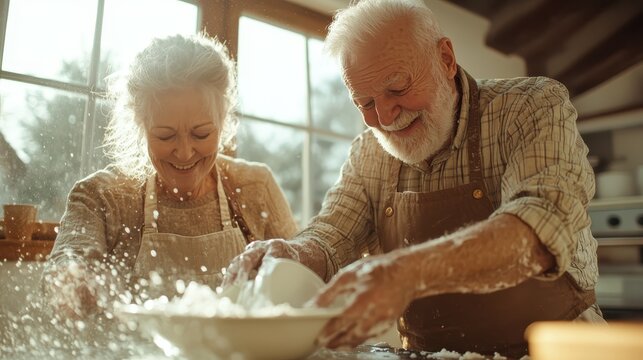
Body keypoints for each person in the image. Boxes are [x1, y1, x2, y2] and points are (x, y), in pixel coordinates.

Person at [223, 0, 604, 357]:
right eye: (366, 103)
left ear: (446, 59)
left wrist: (405, 274)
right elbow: (330, 236)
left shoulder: (531, 106)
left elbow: (538, 230)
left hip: (558, 350)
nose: (386, 117)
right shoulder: (368, 153)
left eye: (397, 88)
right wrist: (293, 253)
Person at [41, 33, 298, 319]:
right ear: (140, 125)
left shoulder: (255, 186)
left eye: (201, 133)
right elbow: (66, 265)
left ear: (223, 121)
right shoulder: (103, 195)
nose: (185, 153)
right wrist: (71, 282)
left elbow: (302, 283)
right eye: (165, 135)